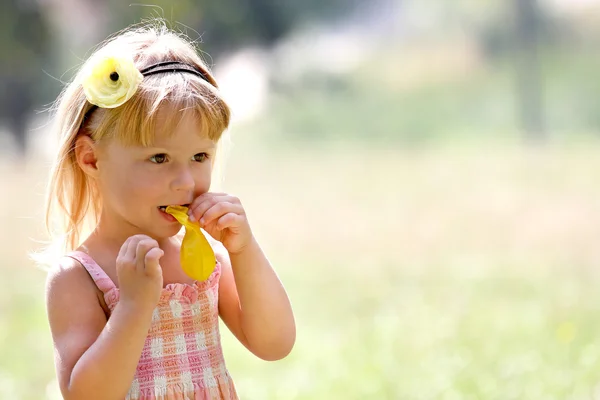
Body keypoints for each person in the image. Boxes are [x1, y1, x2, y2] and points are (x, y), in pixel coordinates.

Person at [40, 20, 296, 400]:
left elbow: (275, 344)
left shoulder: (204, 259)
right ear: (92, 159)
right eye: (159, 157)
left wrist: (245, 251)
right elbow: (86, 395)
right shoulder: (79, 277)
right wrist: (133, 306)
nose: (185, 181)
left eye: (199, 156)